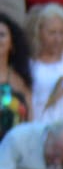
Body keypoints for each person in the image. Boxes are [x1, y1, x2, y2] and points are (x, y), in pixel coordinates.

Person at [0, 12, 32, 145]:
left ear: (12, 43)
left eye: (1, 35)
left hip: (15, 147)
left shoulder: (20, 80)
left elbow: (29, 118)